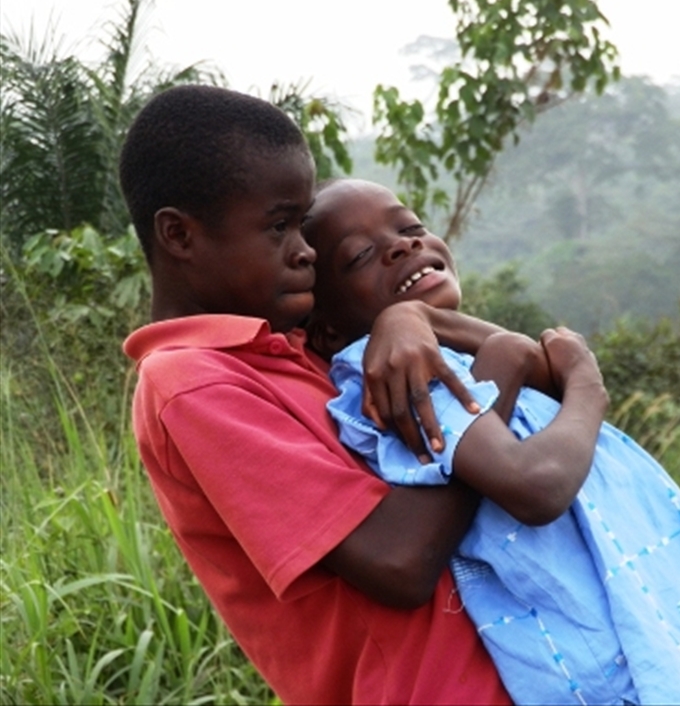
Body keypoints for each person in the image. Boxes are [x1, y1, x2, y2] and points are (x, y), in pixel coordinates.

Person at [302, 178, 680, 706]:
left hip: (644, 644)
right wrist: (589, 388)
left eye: (412, 227)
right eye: (362, 255)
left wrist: (418, 315)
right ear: (326, 333)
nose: (404, 244)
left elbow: (529, 355)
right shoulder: (403, 372)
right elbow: (537, 487)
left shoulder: (439, 352)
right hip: (609, 673)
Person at [119, 85, 522, 705]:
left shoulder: (293, 348)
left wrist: (408, 320)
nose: (305, 251)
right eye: (279, 226)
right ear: (179, 236)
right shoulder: (191, 383)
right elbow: (398, 562)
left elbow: (520, 359)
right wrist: (488, 401)